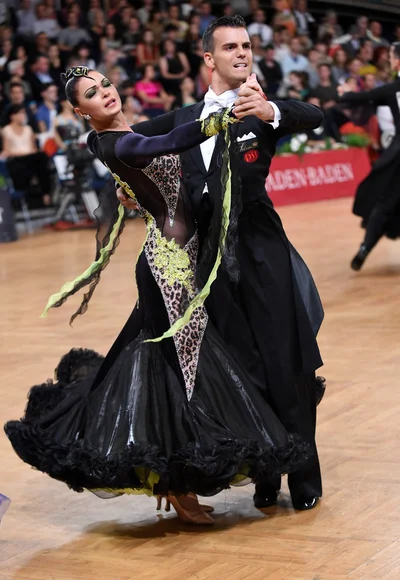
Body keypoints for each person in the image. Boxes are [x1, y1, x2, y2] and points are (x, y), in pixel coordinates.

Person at [4, 67, 311, 526]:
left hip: (181, 256)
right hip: (171, 267)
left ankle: (175, 481)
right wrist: (216, 120)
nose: (105, 93)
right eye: (92, 93)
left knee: (175, 368)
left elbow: (153, 170)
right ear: (79, 111)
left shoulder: (121, 133)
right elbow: (160, 146)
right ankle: (176, 482)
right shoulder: (119, 141)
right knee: (182, 372)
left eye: (106, 83)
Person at [118, 15, 326, 511]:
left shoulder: (260, 111)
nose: (242, 53)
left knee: (287, 363)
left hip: (261, 253)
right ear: (208, 58)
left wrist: (272, 108)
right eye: (230, 47)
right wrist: (125, 180)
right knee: (240, 369)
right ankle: (263, 474)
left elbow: (314, 114)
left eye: (247, 46)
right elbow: (123, 142)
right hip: (207, 261)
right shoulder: (183, 118)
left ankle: (305, 479)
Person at [337, 43, 400, 271]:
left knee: (384, 203)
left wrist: (346, 94)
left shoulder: (393, 88)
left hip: (397, 158)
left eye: (392, 57)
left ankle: (365, 248)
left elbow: (366, 96)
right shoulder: (391, 89)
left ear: (396, 61)